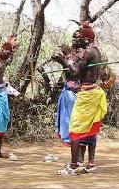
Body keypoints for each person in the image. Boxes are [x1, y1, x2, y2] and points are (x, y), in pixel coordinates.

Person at [53, 22, 107, 175]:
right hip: (91, 91)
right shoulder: (94, 51)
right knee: (89, 129)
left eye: (80, 37)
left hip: (88, 95)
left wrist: (62, 61)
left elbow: (75, 72)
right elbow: (86, 75)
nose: (77, 40)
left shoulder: (88, 52)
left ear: (87, 39)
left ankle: (74, 165)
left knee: (75, 128)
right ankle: (89, 164)